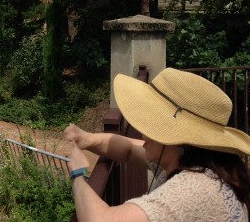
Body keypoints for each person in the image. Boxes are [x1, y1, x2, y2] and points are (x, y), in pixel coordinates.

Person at [66, 68, 250, 221]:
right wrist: (87, 139)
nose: (144, 133)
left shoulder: (193, 189)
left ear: (179, 142)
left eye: (155, 126)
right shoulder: (201, 165)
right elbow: (128, 149)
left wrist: (78, 174)